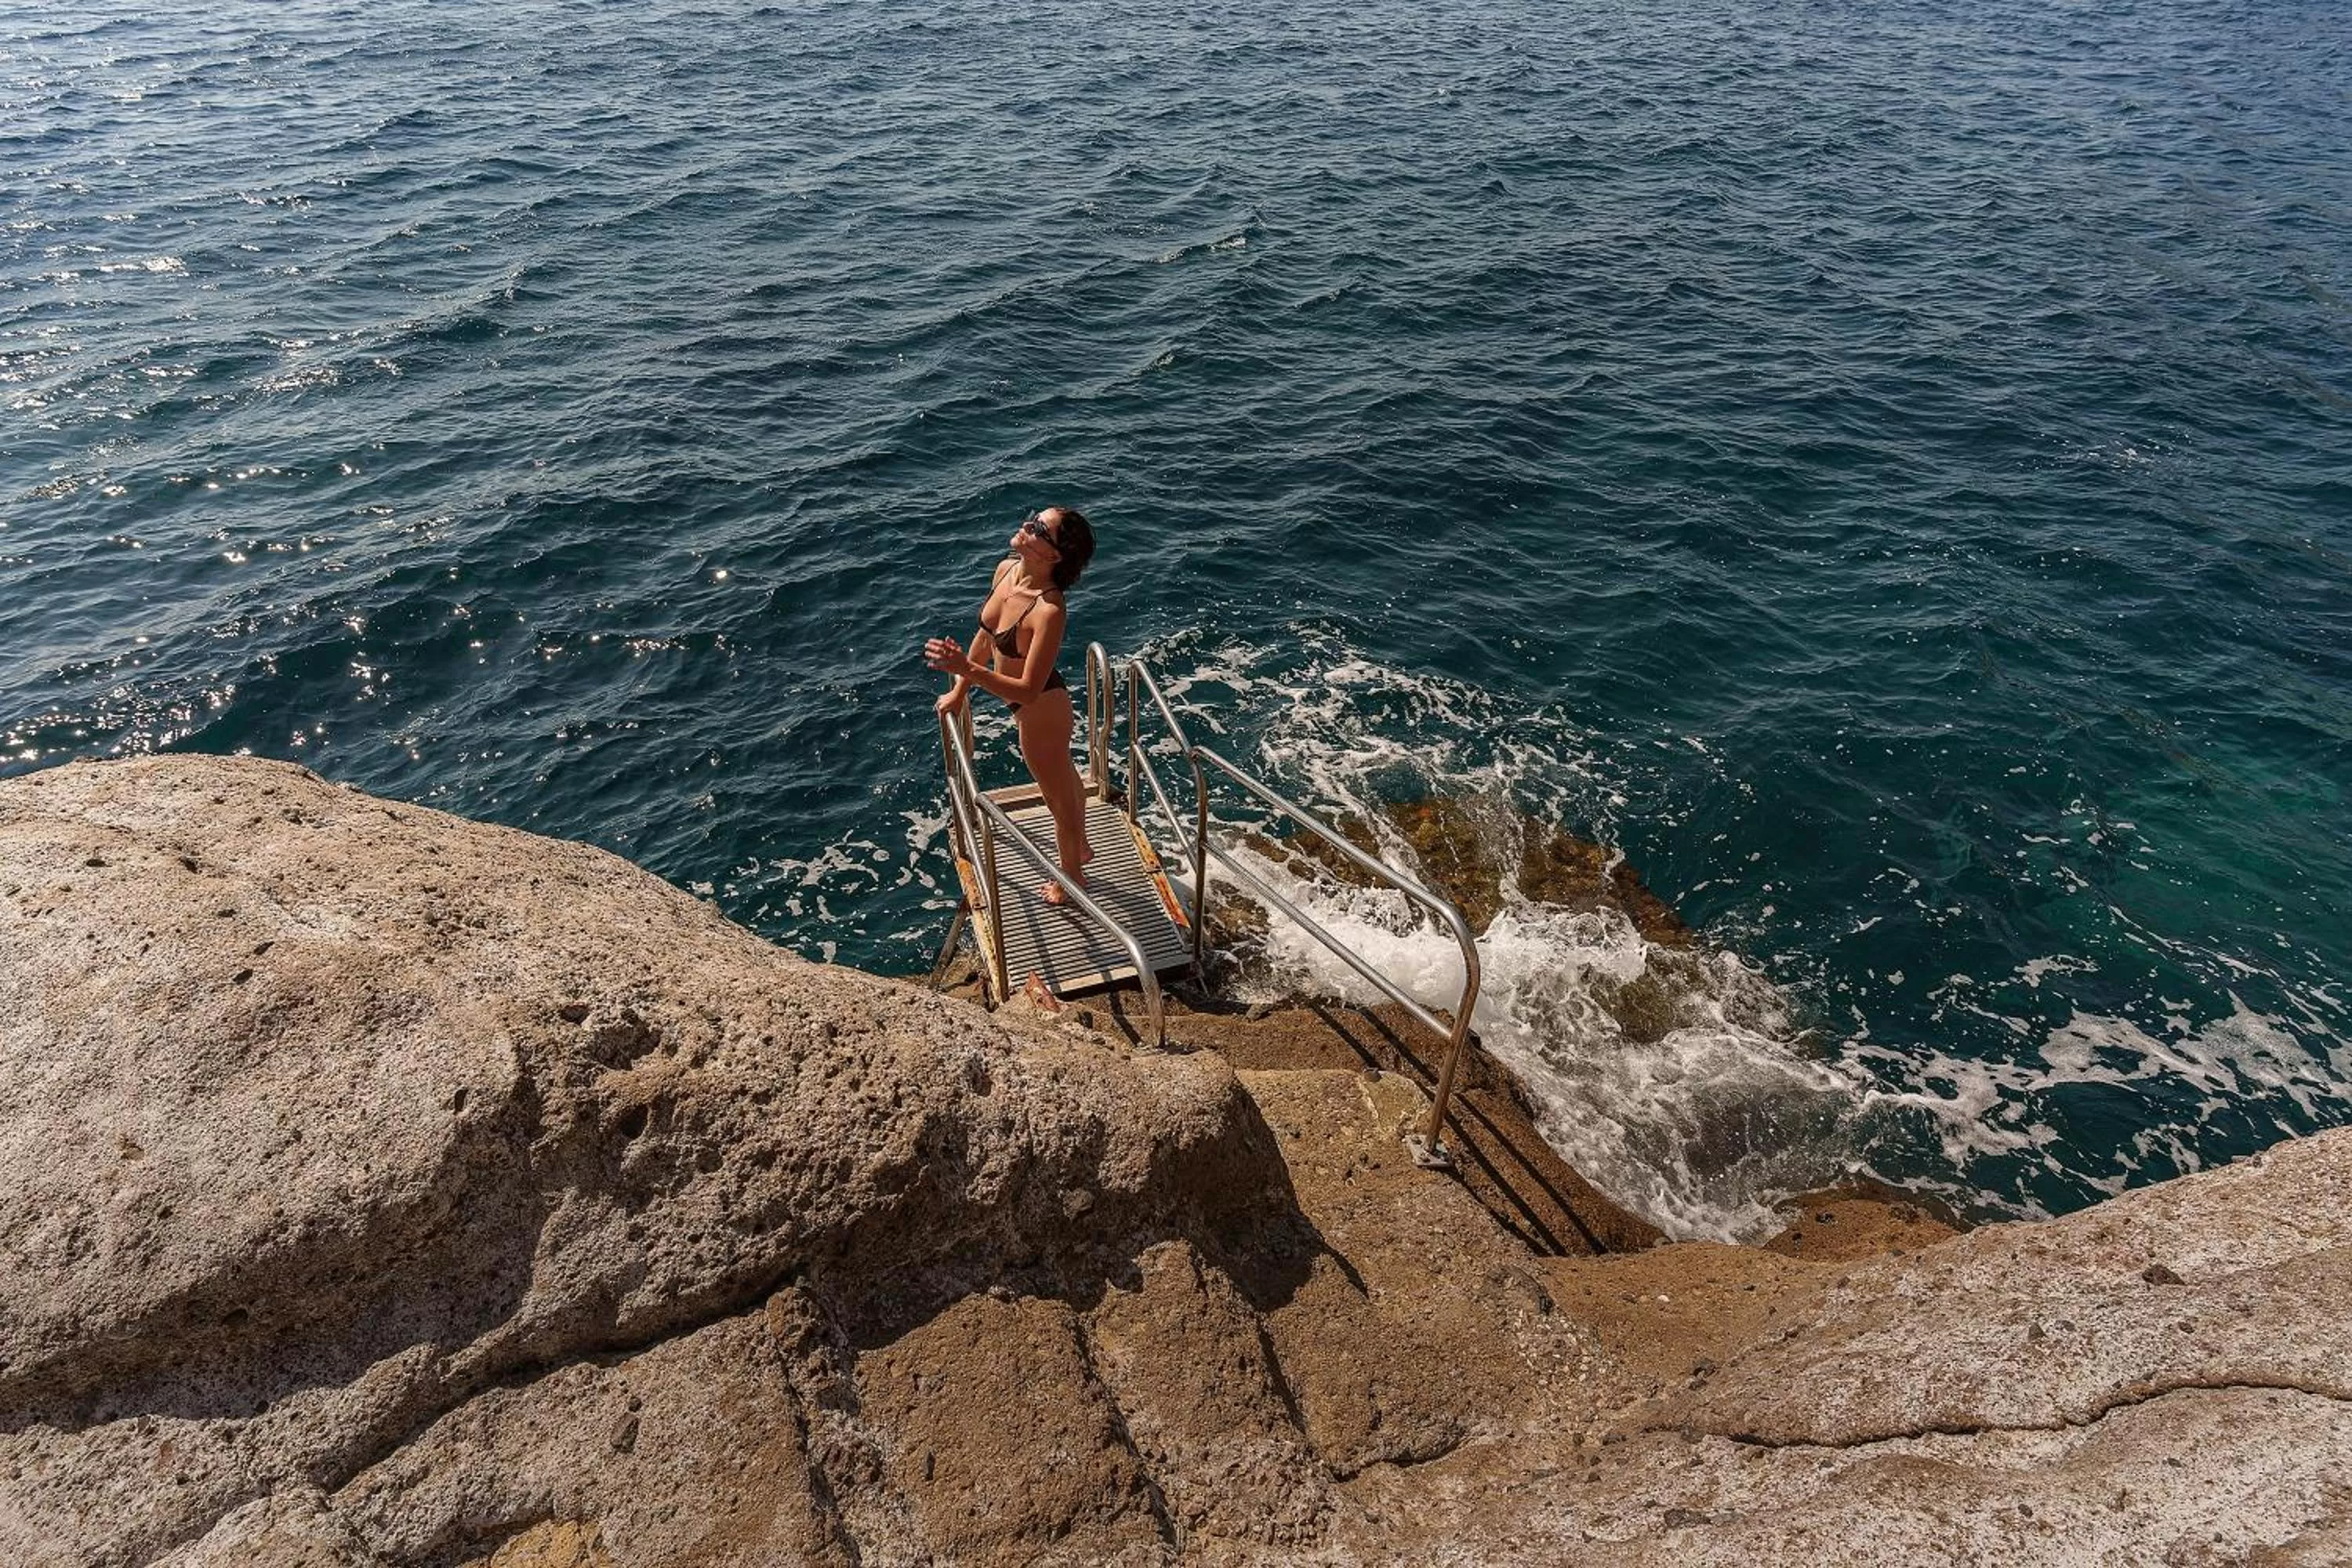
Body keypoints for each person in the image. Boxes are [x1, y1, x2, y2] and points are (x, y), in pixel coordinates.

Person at [925, 505, 1098, 907]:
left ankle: (1071, 880)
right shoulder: (1006, 570)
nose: (1026, 525)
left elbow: (1027, 690)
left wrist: (963, 667)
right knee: (1066, 779)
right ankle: (1083, 847)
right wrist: (959, 691)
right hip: (1031, 708)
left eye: (1038, 528)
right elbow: (986, 638)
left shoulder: (1049, 610)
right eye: (1031, 519)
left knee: (1058, 801)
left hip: (1042, 714)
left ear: (1054, 555)